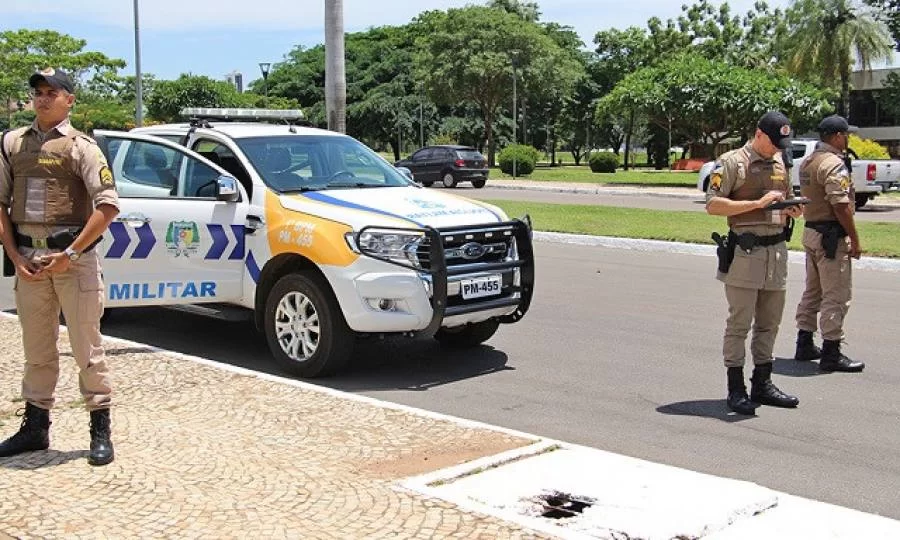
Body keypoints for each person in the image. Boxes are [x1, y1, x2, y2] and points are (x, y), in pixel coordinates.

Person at [0, 68, 120, 465]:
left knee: (87, 349)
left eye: (52, 92)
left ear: (69, 99)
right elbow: (1, 205)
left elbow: (108, 206)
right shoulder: (12, 143)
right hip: (30, 263)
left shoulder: (83, 147)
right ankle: (35, 428)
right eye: (38, 92)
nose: (43, 98)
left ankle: (99, 429)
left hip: (73, 263)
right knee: (37, 350)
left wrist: (69, 254)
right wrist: (16, 257)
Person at [706, 111, 803, 415]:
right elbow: (713, 205)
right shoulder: (732, 162)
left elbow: (782, 200)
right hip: (746, 255)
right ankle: (736, 389)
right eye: (774, 142)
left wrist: (791, 210)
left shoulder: (780, 162)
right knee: (739, 324)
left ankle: (763, 383)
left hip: (776, 253)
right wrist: (757, 205)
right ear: (759, 134)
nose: (778, 148)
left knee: (769, 324)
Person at [793, 114, 865, 373]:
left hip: (812, 233)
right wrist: (855, 240)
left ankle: (804, 343)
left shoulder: (808, 161)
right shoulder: (833, 164)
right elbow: (841, 205)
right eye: (846, 134)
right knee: (836, 295)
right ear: (836, 136)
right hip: (831, 238)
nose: (848, 139)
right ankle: (831, 352)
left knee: (813, 291)